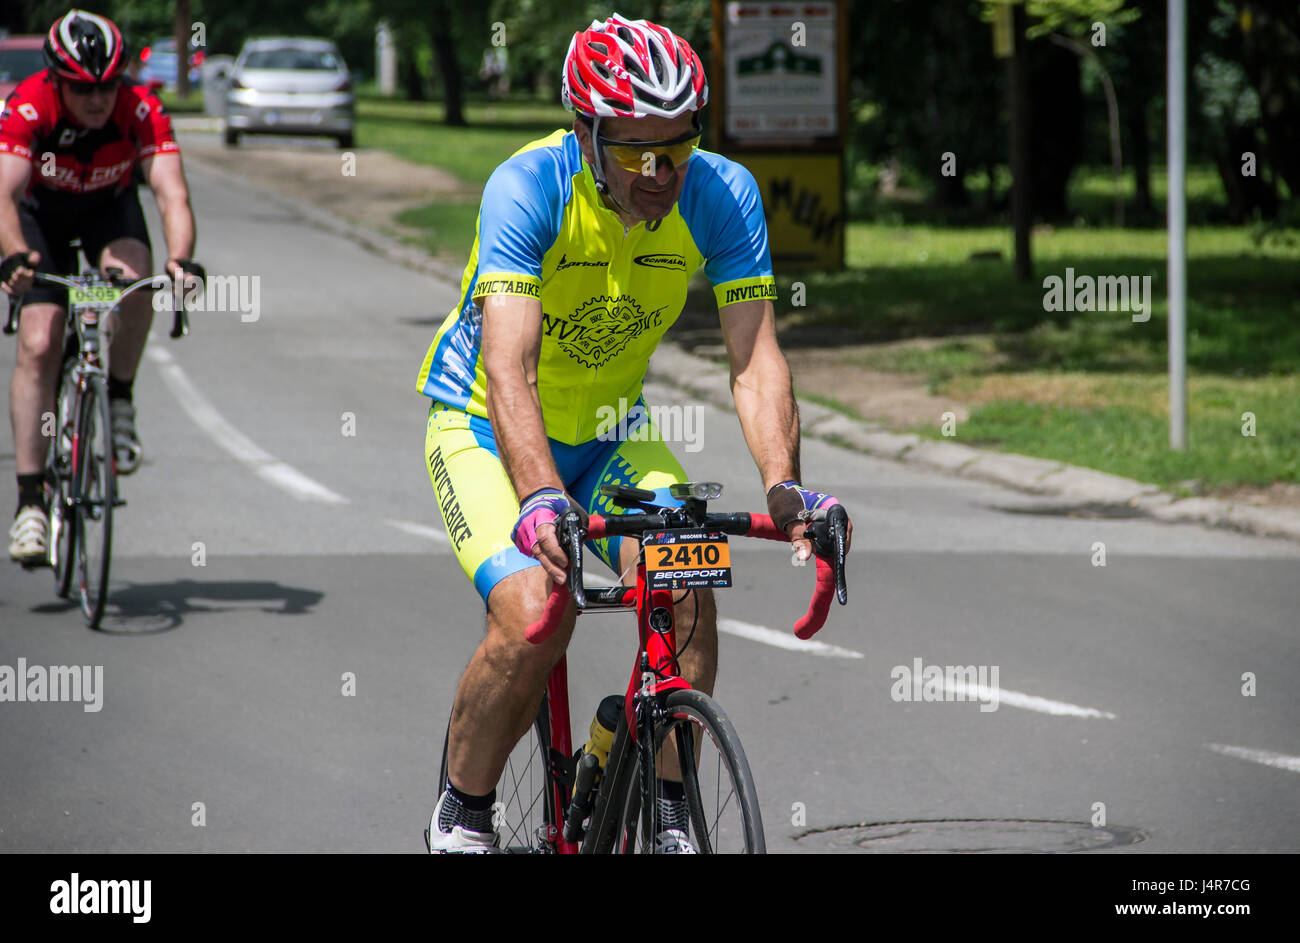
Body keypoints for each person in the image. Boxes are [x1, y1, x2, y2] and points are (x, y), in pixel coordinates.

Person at [416, 13, 852, 853]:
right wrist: (541, 495)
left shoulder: (720, 192)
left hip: (613, 431)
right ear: (586, 132)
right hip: (483, 423)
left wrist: (787, 490)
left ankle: (670, 809)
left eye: (679, 146)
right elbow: (511, 368)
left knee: (686, 574)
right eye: (637, 153)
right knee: (536, 611)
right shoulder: (528, 185)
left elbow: (757, 356)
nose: (662, 174)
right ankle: (463, 813)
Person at [1, 9, 201, 565]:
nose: (98, 99)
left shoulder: (141, 109)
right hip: (41, 217)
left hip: (107, 210)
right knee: (40, 339)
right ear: (57, 81)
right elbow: (3, 196)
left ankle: (117, 397)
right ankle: (31, 503)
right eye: (84, 89)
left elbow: (170, 193)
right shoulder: (29, 104)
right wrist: (15, 255)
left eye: (108, 86)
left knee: (139, 283)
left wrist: (182, 261)